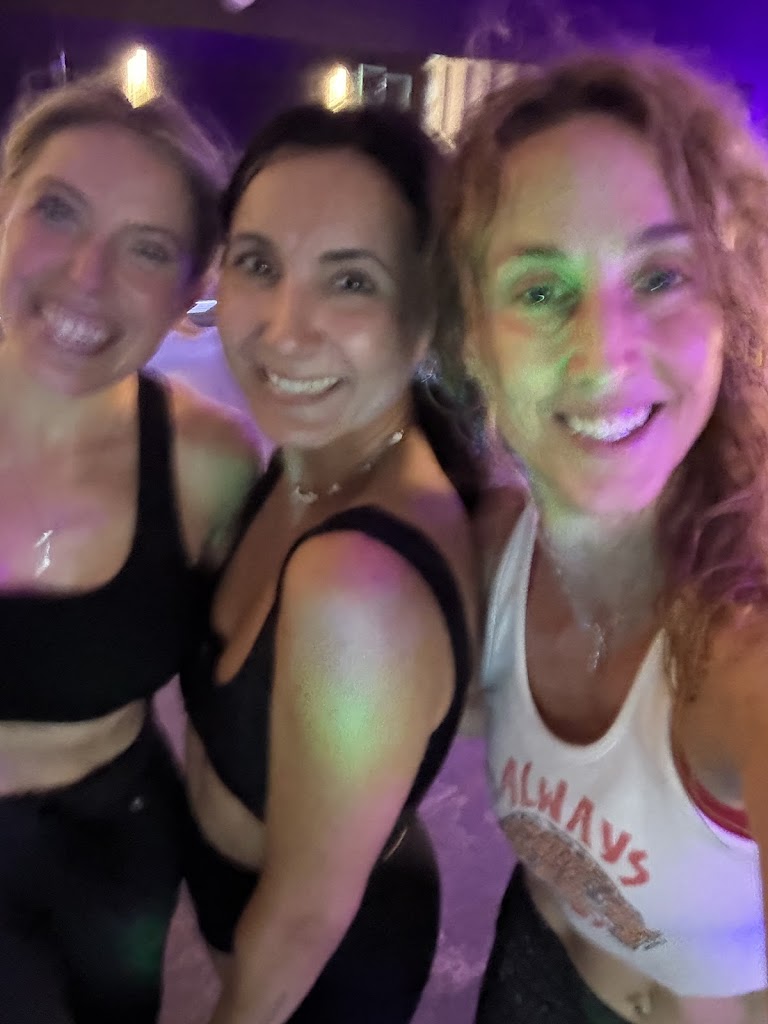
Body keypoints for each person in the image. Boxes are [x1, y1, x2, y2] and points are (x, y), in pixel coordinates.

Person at [445, 47, 768, 1023]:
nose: (604, 354)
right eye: (541, 289)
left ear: (729, 308)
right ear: (474, 340)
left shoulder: (747, 657)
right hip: (527, 972)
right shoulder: (488, 557)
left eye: (661, 275)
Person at [180, 104, 483, 1024]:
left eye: (350, 281)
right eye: (258, 264)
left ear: (425, 317)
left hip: (319, 977)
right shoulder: (308, 467)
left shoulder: (357, 581)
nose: (284, 328)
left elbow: (304, 918)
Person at [0, 69, 259, 1023]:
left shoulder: (207, 462)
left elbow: (246, 695)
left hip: (116, 852)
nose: (86, 276)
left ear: (192, 289)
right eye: (57, 211)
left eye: (146, 248)